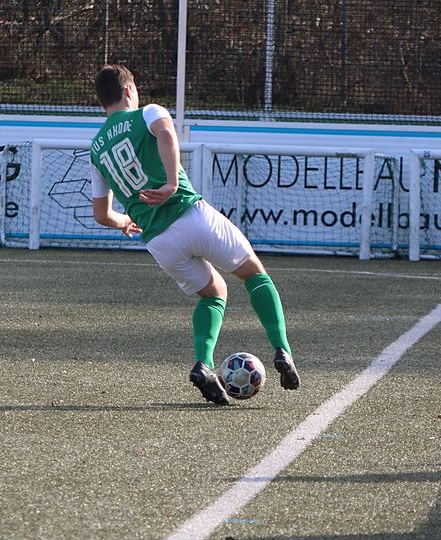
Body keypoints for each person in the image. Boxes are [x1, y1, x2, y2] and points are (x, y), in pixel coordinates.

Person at [88, 64, 300, 405]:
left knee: (214, 294)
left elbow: (101, 215)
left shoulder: (96, 150)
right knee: (254, 274)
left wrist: (125, 221)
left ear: (102, 101)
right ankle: (283, 350)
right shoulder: (147, 112)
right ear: (128, 90)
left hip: (159, 241)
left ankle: (204, 364)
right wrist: (172, 183)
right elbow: (166, 133)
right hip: (189, 214)